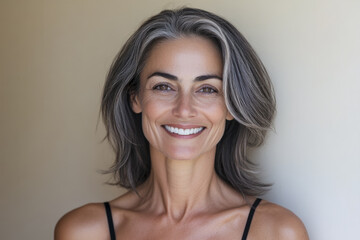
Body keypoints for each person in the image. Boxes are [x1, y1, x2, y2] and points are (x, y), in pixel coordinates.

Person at [55, 7, 309, 239]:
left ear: (231, 105)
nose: (184, 109)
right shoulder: (84, 231)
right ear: (135, 98)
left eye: (207, 89)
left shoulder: (275, 232)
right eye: (164, 87)